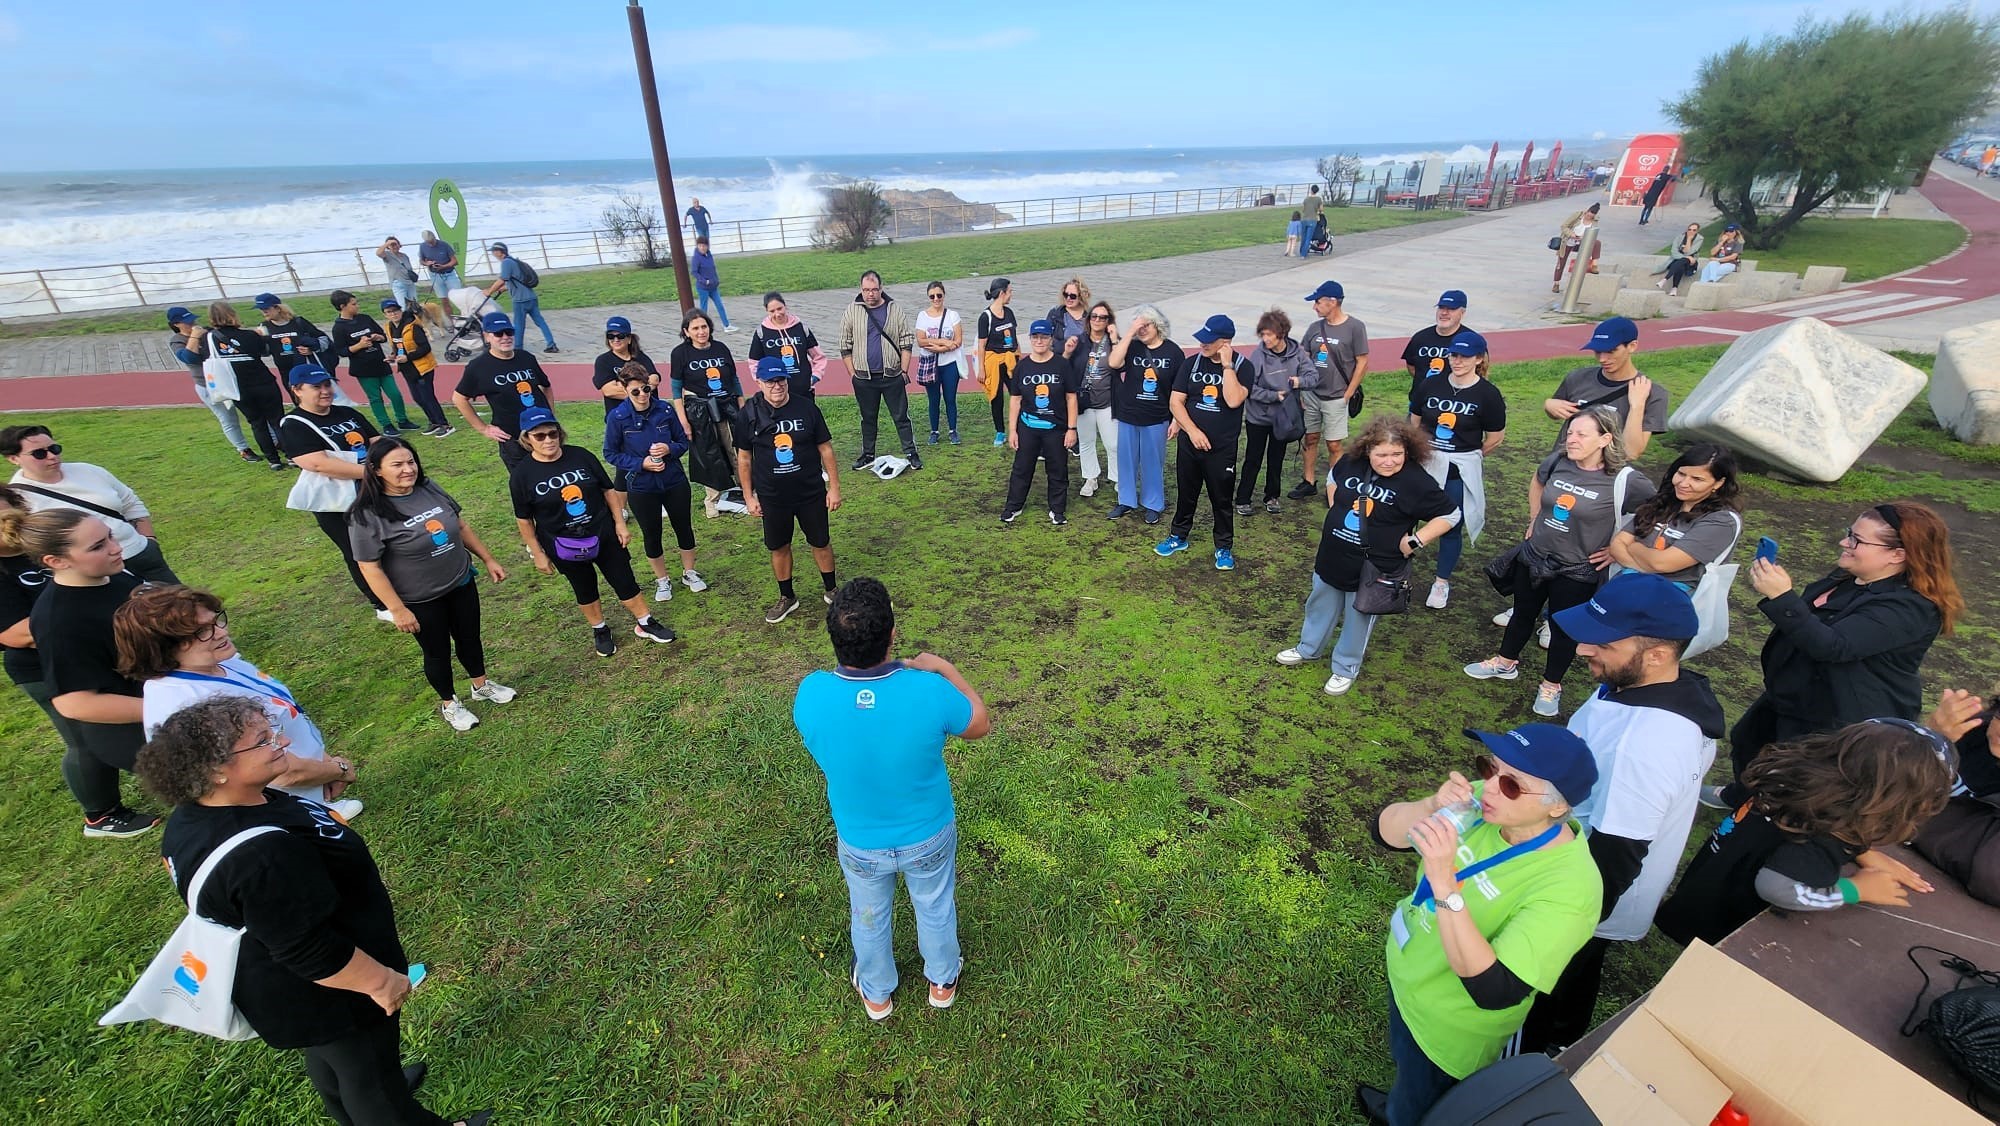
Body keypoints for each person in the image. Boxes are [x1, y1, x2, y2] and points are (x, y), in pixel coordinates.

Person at [138, 696, 492, 1126]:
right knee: (372, 1080)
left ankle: (353, 1100)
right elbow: (309, 950)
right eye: (263, 741)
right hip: (333, 989)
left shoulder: (206, 812)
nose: (281, 741)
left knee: (339, 1061)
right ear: (216, 770)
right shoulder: (260, 857)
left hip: (290, 989)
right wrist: (380, 982)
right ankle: (380, 1105)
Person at [1517, 575, 1722, 1054]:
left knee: (1550, 983)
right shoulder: (1633, 684)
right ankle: (1562, 1041)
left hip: (1587, 892)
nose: (1584, 648)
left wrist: (1566, 920)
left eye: (1602, 641)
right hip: (1576, 863)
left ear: (1656, 653)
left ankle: (1531, 1059)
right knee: (1578, 974)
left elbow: (1616, 855)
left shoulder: (1645, 743)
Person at [1360, 725, 1601, 1126]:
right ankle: (1399, 1102)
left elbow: (1495, 990)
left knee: (1427, 1108)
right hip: (1410, 977)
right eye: (1489, 768)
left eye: (1511, 784)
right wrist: (1429, 805)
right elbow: (1383, 833)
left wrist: (1442, 880)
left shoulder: (1571, 889)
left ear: (1557, 807)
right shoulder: (1483, 804)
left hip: (1451, 1029)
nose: (1488, 787)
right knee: (1406, 1067)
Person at [793, 577, 992, 1019]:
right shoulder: (928, 688)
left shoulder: (811, 694)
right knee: (935, 905)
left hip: (860, 838)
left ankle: (877, 992)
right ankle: (942, 981)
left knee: (867, 913)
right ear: (892, 635)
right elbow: (979, 724)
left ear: (835, 638)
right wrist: (945, 669)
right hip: (928, 834)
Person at [1708, 501, 1961, 807]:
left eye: (1857, 540)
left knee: (1800, 775)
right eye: (1848, 533)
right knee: (1749, 739)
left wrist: (1782, 597)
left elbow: (1834, 646)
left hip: (1838, 709)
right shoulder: (1850, 576)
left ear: (1898, 555)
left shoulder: (1910, 608)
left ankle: (1768, 819)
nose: (1845, 542)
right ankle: (1744, 796)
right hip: (1797, 691)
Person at [1656, 720, 1955, 948]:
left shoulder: (1797, 776)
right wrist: (1855, 890)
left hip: (1707, 884)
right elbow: (1777, 887)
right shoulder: (1820, 842)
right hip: (1722, 923)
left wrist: (1862, 850)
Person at [1467, 407, 1654, 718]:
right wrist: (1534, 517)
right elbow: (1538, 482)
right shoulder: (1558, 461)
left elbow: (1653, 514)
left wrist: (1617, 548)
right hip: (1536, 556)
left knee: (1564, 629)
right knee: (1522, 613)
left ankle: (1551, 684)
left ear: (1605, 439)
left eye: (1581, 434)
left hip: (1577, 569)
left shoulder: (1625, 480)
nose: (1572, 439)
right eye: (1570, 433)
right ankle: (1505, 662)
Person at [117, 585, 361, 820]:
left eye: (216, 621)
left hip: (306, 791)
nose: (221, 632)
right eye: (203, 632)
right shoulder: (189, 704)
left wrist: (322, 764)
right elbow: (283, 773)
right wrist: (338, 769)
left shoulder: (218, 662)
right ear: (162, 648)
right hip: (277, 811)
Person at [1276, 416, 1459, 695]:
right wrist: (1336, 506)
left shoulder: (1415, 481)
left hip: (1376, 566)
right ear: (1368, 451)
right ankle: (1308, 648)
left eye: (1397, 454)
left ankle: (1345, 667)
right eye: (1382, 454)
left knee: (1358, 616)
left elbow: (1451, 514)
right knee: (1319, 603)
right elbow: (1332, 478)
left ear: (1407, 452)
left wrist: (1416, 540)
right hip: (1334, 553)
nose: (1390, 461)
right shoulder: (1351, 462)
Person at [349, 437, 518, 733]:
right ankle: (450, 704)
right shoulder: (367, 514)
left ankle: (481, 685)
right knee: (437, 651)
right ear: (375, 470)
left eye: (411, 461)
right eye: (397, 465)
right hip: (421, 598)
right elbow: (369, 566)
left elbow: (460, 525)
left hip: (460, 580)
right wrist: (397, 609)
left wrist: (488, 559)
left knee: (469, 638)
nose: (407, 469)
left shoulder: (428, 488)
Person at [9, 510, 157, 837]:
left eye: (110, 536)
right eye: (97, 546)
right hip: (136, 730)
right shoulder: (60, 620)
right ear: (57, 561)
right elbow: (76, 704)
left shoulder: (113, 576)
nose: (115, 547)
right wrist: (169, 704)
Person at [509, 407, 676, 657]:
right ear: (527, 439)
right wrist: (538, 553)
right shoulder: (522, 475)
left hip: (603, 533)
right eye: (539, 436)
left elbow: (608, 491)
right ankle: (599, 629)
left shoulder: (581, 456)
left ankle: (646, 622)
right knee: (584, 587)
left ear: (559, 433)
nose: (548, 440)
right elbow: (524, 520)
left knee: (624, 578)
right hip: (562, 542)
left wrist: (619, 523)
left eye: (552, 434)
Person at [0, 487, 96, 825]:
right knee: (84, 741)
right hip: (41, 668)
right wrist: (93, 616)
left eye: (6, 511)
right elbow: (15, 634)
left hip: (96, 653)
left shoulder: (43, 548)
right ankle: (100, 816)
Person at [275, 364, 389, 621]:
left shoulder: (347, 412)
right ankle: (382, 605)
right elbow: (317, 463)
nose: (325, 391)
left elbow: (377, 441)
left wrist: (389, 463)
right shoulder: (294, 424)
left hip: (371, 489)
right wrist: (375, 472)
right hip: (338, 502)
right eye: (316, 387)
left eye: (327, 385)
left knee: (389, 540)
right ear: (297, 390)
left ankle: (400, 588)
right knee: (359, 551)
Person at [736, 357, 843, 624]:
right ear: (758, 382)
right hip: (773, 497)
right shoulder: (749, 413)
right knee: (779, 546)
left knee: (820, 541)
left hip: (810, 491)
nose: (777, 386)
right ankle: (787, 597)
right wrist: (749, 497)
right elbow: (744, 458)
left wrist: (834, 488)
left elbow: (825, 449)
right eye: (770, 381)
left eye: (781, 379)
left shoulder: (806, 408)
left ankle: (832, 590)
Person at [4, 424, 180, 583]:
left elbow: (130, 502)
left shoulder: (88, 470)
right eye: (39, 453)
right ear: (13, 458)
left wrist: (149, 540)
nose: (52, 456)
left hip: (142, 553)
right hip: (102, 573)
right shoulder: (18, 498)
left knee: (187, 611)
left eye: (55, 449)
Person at [1411, 332, 1507, 610]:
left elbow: (1495, 437)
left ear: (1479, 359)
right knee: (1406, 514)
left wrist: (1468, 455)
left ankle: (1441, 582)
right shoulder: (1431, 384)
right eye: (1454, 355)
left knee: (1451, 523)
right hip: (1426, 461)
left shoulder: (1488, 394)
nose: (1458, 361)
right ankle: (1393, 568)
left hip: (1458, 468)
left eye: (1465, 356)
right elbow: (1414, 422)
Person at [1156, 315, 1252, 568]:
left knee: (1221, 499)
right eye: (1202, 339)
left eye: (1209, 341)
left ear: (1226, 342)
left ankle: (1223, 547)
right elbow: (1176, 401)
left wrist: (1227, 367)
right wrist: (1192, 431)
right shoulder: (1191, 364)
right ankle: (1178, 535)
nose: (1203, 344)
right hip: (1189, 444)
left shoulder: (1244, 367)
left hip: (1221, 449)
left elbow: (1233, 400)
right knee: (1186, 493)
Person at [602, 375, 709, 602]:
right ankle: (662, 579)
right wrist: (640, 463)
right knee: (652, 533)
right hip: (641, 485)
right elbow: (610, 453)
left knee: (684, 527)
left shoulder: (665, 410)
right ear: (625, 390)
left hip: (673, 479)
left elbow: (682, 442)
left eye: (646, 389)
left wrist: (668, 449)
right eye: (636, 392)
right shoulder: (618, 417)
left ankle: (689, 572)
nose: (643, 395)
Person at [1606, 444, 1742, 590]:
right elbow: (1617, 545)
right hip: (1624, 590)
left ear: (1719, 483)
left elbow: (1662, 563)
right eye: (1681, 474)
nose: (1683, 483)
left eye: (1697, 479)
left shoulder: (1721, 521)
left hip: (1668, 601)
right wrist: (1648, 565)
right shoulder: (1664, 502)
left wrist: (1634, 547)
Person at [1541, 316, 1667, 459]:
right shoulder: (1577, 378)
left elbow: (1631, 452)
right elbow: (1557, 414)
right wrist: (1549, 405)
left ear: (1632, 346)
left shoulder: (1653, 393)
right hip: (1562, 469)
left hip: (1604, 478)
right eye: (1598, 351)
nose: (1602, 358)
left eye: (1611, 351)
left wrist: (1637, 406)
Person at [1291, 281, 1370, 499]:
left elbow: (1362, 362)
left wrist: (1348, 392)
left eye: (1318, 302)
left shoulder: (1355, 327)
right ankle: (1308, 481)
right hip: (1312, 394)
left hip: (1337, 396)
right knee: (1311, 437)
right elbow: (1303, 355)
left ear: (1332, 302)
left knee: (1334, 444)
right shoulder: (1315, 328)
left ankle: (1334, 486)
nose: (1314, 307)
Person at [837, 270, 921, 470]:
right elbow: (844, 344)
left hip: (892, 375)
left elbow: (906, 341)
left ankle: (911, 453)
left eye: (874, 290)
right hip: (864, 378)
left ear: (881, 288)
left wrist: (903, 371)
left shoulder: (894, 309)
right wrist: (852, 373)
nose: (870, 294)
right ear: (861, 290)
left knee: (901, 417)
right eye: (866, 290)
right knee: (868, 418)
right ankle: (867, 454)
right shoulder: (852, 310)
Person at [1237, 308, 1318, 517]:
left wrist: (1299, 382)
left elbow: (1313, 377)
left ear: (1281, 334)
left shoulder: (1297, 353)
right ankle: (1243, 499)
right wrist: (1274, 396)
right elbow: (1249, 387)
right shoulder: (1258, 356)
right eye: (1262, 334)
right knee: (1253, 458)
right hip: (1258, 417)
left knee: (1276, 458)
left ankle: (1272, 496)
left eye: (1269, 335)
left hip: (1283, 418)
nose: (1265, 339)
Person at [191, 302, 290, 469]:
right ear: (233, 315)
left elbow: (193, 357)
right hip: (263, 382)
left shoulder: (208, 339)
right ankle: (291, 455)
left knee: (257, 423)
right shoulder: (249, 335)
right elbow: (263, 351)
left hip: (237, 387)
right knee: (276, 419)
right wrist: (261, 336)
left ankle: (273, 460)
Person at [1000, 320, 1079, 527]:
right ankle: (1014, 506)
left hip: (1056, 428)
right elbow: (1015, 400)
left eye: (1044, 337)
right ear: (1030, 339)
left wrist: (1072, 429)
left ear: (1051, 339)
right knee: (1022, 468)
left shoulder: (1062, 365)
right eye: (1035, 337)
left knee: (1057, 469)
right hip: (1028, 428)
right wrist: (1012, 430)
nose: (1039, 341)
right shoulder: (1022, 367)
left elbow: (1071, 397)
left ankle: (1057, 509)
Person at [453, 311, 554, 470]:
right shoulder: (478, 367)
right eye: (498, 333)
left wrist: (550, 414)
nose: (505, 337)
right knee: (525, 484)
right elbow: (459, 398)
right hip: (513, 438)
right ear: (487, 336)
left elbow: (546, 386)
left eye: (509, 332)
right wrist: (483, 428)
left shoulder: (526, 357)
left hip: (544, 433)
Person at [1105, 303, 1178, 524]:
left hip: (1156, 417)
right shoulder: (1133, 346)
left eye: (1146, 325)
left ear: (1158, 326)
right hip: (1129, 414)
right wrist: (1128, 334)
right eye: (1139, 325)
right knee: (1126, 460)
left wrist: (1176, 420)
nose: (1142, 329)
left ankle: (1153, 503)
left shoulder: (1173, 352)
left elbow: (1179, 389)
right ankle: (1126, 500)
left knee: (1152, 461)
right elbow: (1114, 362)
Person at [668, 309, 742, 517]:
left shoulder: (721, 348)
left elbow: (734, 380)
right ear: (686, 331)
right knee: (709, 455)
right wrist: (683, 420)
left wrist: (742, 404)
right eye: (695, 328)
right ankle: (713, 499)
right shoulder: (680, 354)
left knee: (737, 450)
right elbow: (676, 390)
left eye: (704, 327)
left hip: (727, 406)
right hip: (700, 411)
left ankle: (746, 491)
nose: (701, 332)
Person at [166, 306, 257, 462]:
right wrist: (194, 337)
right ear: (176, 324)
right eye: (187, 322)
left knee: (254, 412)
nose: (192, 323)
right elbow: (189, 358)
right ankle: (243, 449)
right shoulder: (177, 341)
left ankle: (274, 441)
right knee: (228, 418)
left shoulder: (207, 333)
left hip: (230, 379)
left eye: (192, 320)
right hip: (208, 385)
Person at [329, 291, 418, 437]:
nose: (357, 306)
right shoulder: (338, 327)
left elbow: (383, 336)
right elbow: (342, 351)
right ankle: (386, 424)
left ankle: (402, 420)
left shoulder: (364, 318)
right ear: (342, 306)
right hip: (363, 369)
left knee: (395, 394)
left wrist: (379, 337)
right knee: (375, 398)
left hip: (380, 363)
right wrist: (359, 346)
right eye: (353, 304)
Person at [253, 293, 350, 409]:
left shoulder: (298, 322)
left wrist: (312, 348)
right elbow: (265, 352)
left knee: (319, 400)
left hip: (306, 368)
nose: (264, 312)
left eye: (266, 309)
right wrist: (258, 340)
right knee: (300, 403)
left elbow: (324, 339)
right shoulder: (264, 326)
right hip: (286, 371)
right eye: (261, 310)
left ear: (278, 308)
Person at [381, 298, 454, 436]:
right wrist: (393, 356)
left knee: (428, 396)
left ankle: (445, 424)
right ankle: (434, 422)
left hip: (422, 367)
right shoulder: (389, 327)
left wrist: (408, 357)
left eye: (395, 311)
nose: (393, 314)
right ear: (385, 314)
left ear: (400, 311)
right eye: (389, 312)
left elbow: (425, 347)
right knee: (418, 398)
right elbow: (396, 345)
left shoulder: (412, 326)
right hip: (407, 369)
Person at [1070, 299, 1119, 496]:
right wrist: (1067, 351)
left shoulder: (1113, 341)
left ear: (1109, 321)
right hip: (1084, 401)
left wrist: (1115, 339)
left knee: (1113, 443)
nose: (1098, 320)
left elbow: (1121, 365)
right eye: (1094, 316)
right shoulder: (1079, 341)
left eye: (1103, 317)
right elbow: (1066, 365)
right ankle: (1091, 477)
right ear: (1088, 319)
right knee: (1086, 441)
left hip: (1107, 400)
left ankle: (1118, 477)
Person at [1400, 290, 1475, 416]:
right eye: (1441, 308)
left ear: (1462, 312)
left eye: (1451, 309)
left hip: (1455, 407)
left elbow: (1480, 373)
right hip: (1420, 404)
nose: (1444, 313)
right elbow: (1412, 366)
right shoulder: (1420, 337)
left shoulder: (1470, 340)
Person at [747, 291, 827, 401]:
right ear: (766, 311)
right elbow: (754, 362)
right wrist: (763, 383)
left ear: (785, 306)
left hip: (803, 390)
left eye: (780, 308)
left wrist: (815, 377)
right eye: (772, 311)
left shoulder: (800, 327)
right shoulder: (762, 333)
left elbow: (819, 356)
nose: (777, 314)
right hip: (777, 394)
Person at [913, 282, 965, 447]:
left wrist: (938, 347)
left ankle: (952, 430)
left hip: (950, 364)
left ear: (944, 295)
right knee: (933, 399)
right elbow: (920, 341)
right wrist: (942, 344)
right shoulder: (923, 316)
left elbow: (957, 341)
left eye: (939, 295)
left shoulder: (952, 315)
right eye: (932, 296)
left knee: (950, 398)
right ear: (928, 297)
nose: (936, 299)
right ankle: (934, 431)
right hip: (931, 364)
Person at [483, 242, 557, 353]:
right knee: (540, 321)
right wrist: (502, 289)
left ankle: (518, 348)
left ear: (500, 252)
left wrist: (489, 291)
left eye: (494, 251)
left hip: (520, 300)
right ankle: (551, 344)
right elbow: (514, 280)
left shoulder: (506, 263)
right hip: (531, 297)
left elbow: (502, 279)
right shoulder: (514, 261)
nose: (493, 254)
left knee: (518, 325)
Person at [973, 278, 1018, 447]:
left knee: (1018, 394)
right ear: (1001, 293)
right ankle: (1000, 431)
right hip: (994, 363)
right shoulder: (985, 317)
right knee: (996, 397)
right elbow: (981, 344)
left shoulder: (1009, 313)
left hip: (1011, 361)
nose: (1011, 294)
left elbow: (1014, 336)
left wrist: (1018, 356)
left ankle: (1019, 427)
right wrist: (981, 369)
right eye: (1010, 291)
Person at [1553, 202, 1602, 292]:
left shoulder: (1595, 221)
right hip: (1568, 241)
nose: (1588, 217)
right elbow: (1564, 226)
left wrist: (1585, 237)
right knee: (1561, 262)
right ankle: (1556, 283)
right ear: (1586, 212)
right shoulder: (1577, 215)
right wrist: (1572, 234)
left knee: (1597, 243)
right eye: (1587, 215)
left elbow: (1593, 233)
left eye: (1591, 217)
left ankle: (1594, 265)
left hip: (1582, 242)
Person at [690, 237, 733, 331]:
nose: (702, 248)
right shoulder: (696, 258)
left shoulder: (709, 256)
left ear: (707, 246)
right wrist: (704, 281)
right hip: (703, 288)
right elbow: (694, 272)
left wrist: (716, 280)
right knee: (704, 308)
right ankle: (702, 327)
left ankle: (727, 325)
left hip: (713, 287)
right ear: (697, 246)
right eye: (700, 246)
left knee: (720, 305)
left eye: (704, 246)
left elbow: (713, 269)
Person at [1044, 276, 1092, 359]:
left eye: (1073, 296)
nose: (1068, 298)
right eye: (1066, 295)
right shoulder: (1055, 314)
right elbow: (1046, 338)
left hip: (1084, 360)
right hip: (1060, 358)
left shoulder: (1091, 315)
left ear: (1081, 297)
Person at [417, 230, 462, 313]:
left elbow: (455, 261)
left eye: (432, 242)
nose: (431, 244)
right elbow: (421, 261)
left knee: (459, 297)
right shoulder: (422, 246)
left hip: (449, 274)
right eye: (428, 242)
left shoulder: (444, 245)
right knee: (444, 300)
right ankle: (450, 323)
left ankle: (466, 317)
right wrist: (428, 263)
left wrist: (444, 266)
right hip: (435, 275)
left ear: (435, 237)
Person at [376, 236, 420, 313]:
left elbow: (409, 268)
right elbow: (378, 253)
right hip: (398, 282)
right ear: (388, 247)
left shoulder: (404, 256)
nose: (394, 247)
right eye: (392, 245)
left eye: (396, 244)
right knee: (403, 305)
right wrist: (387, 243)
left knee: (414, 304)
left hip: (409, 282)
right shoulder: (387, 255)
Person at [1659, 224, 1704, 296]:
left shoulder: (1699, 239)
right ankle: (1674, 289)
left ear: (1697, 231)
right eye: (1689, 229)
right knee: (1680, 265)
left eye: (1694, 230)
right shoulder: (1680, 237)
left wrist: (1689, 240)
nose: (1691, 231)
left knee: (1683, 261)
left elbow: (1689, 252)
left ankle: (1665, 280)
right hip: (1677, 259)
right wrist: (1687, 257)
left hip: (1691, 264)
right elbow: (1673, 252)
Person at [1300, 186, 1324, 258]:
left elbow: (1303, 209)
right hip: (1312, 220)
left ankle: (1301, 251)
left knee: (1303, 237)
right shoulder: (1319, 199)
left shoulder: (1306, 199)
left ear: (1311, 190)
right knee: (1308, 238)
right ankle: (1303, 254)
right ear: (1317, 191)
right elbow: (1321, 209)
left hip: (1304, 219)